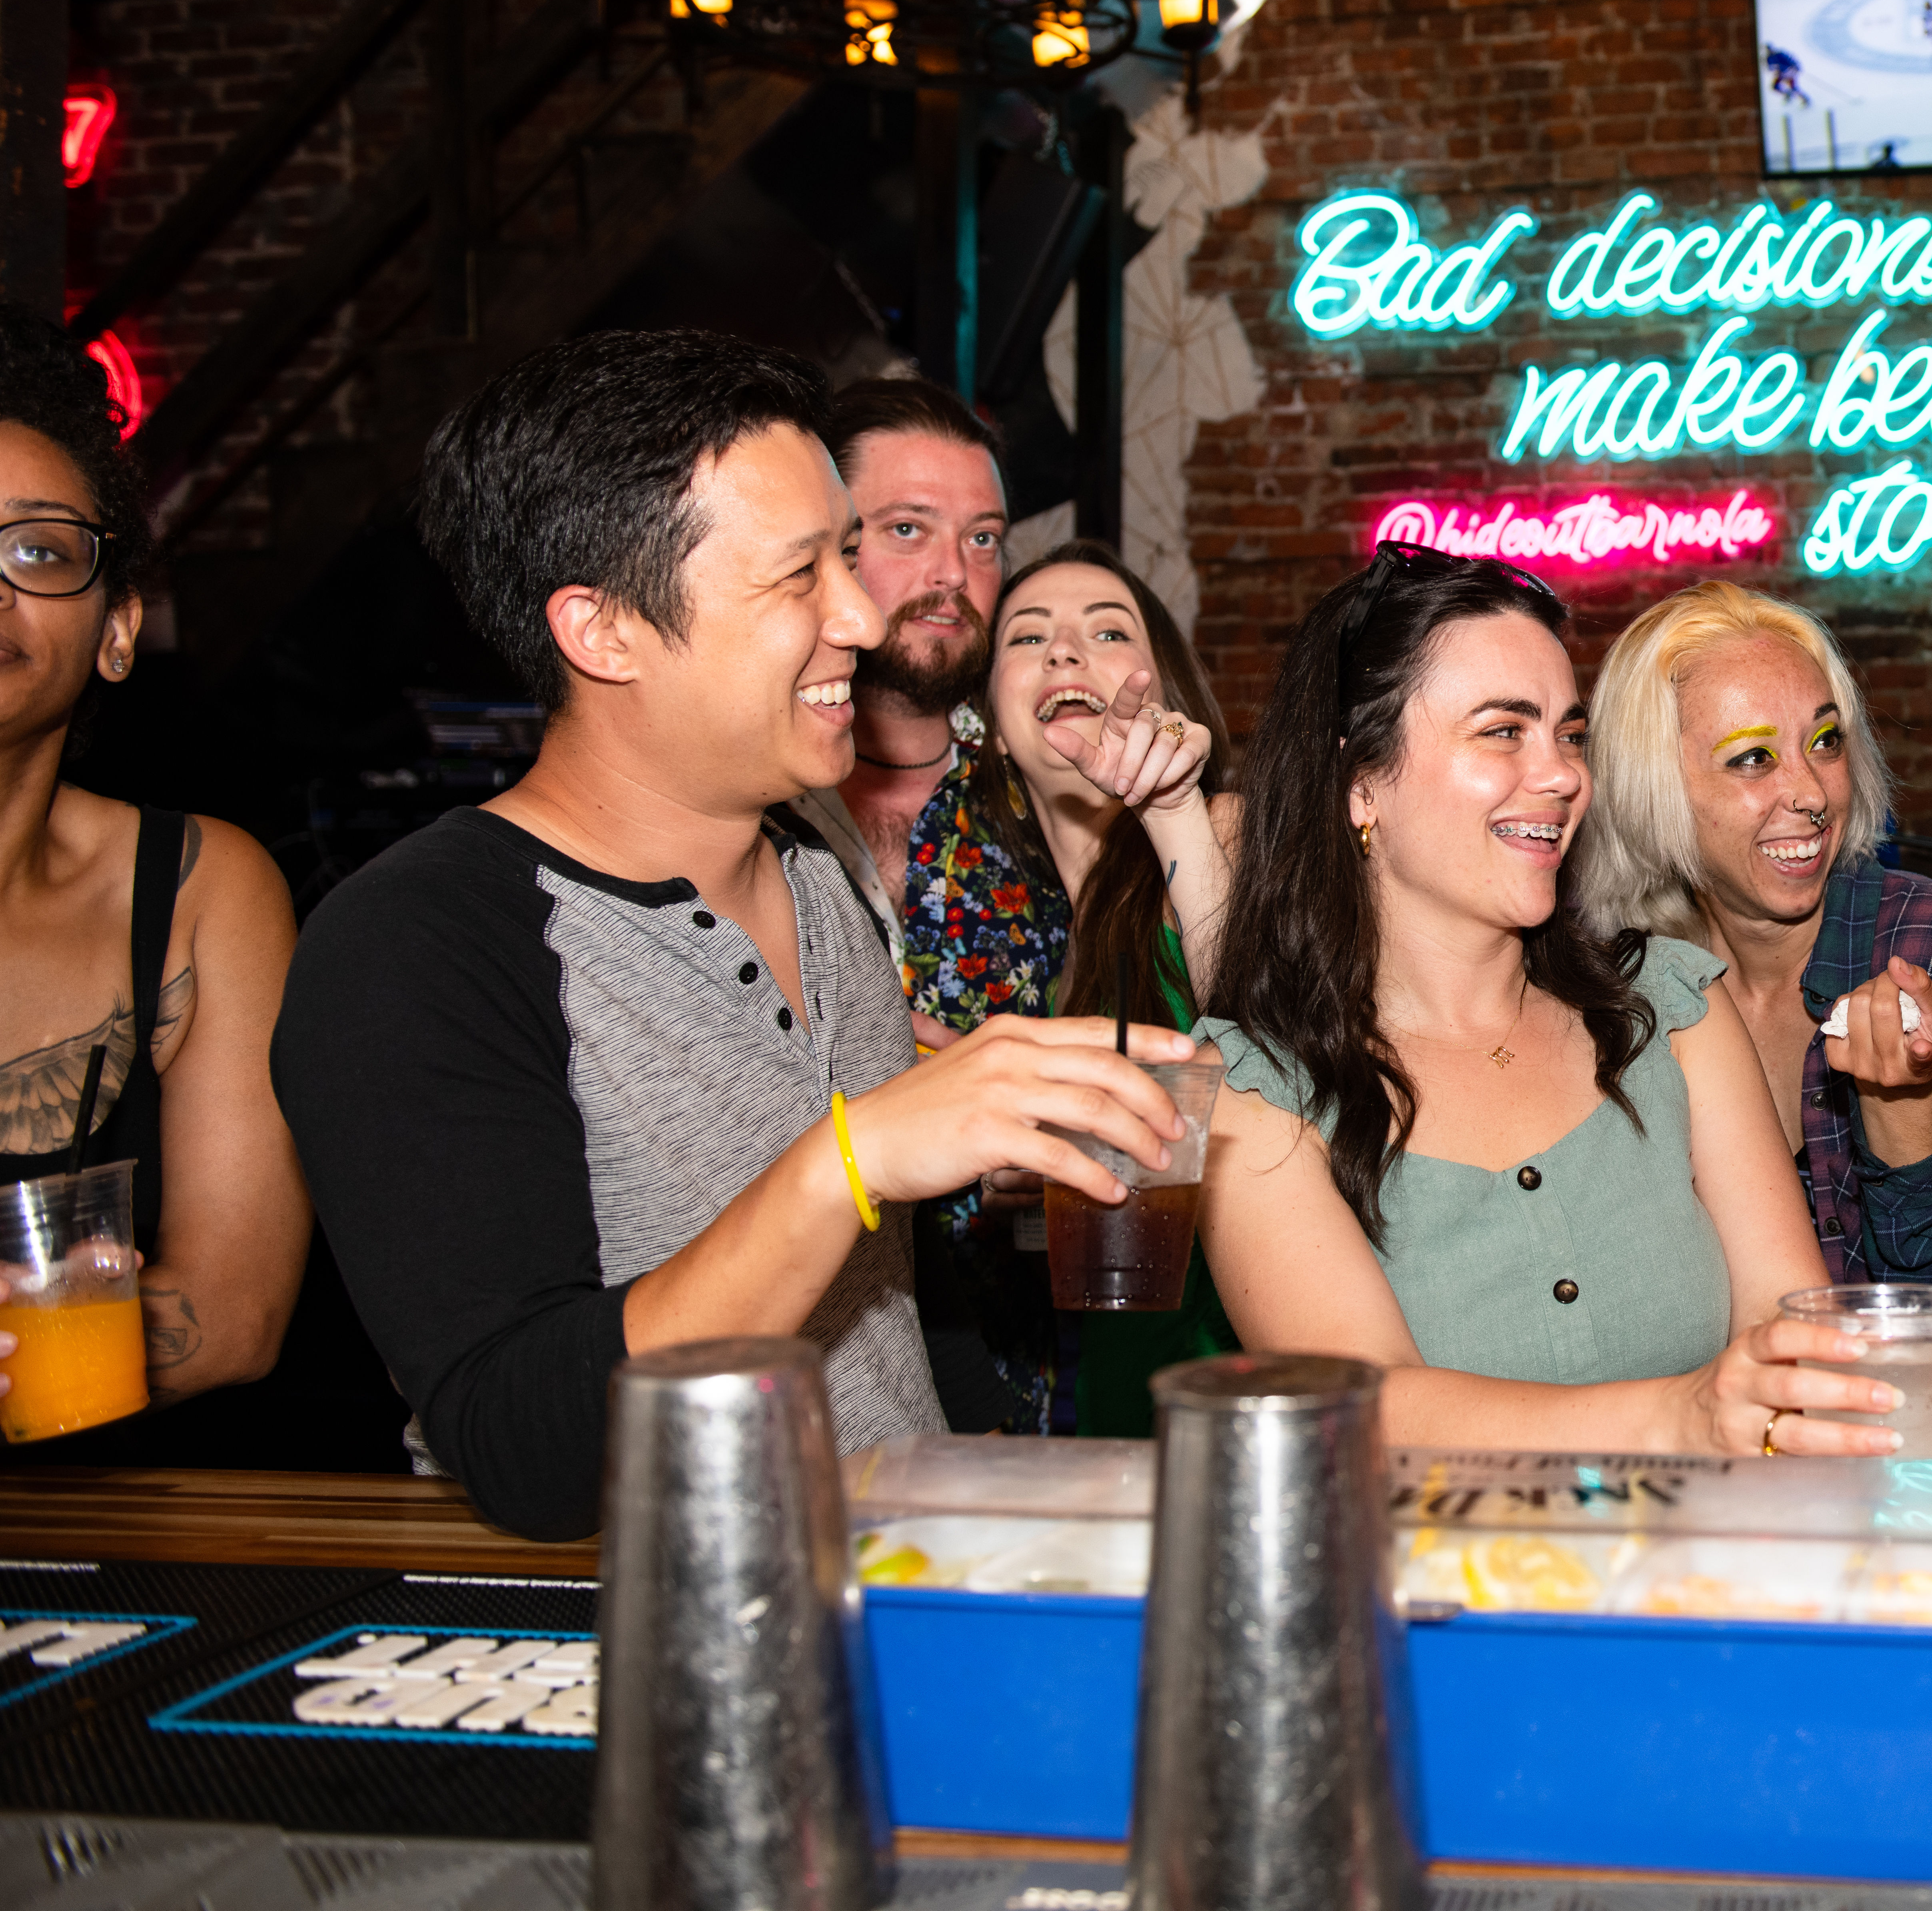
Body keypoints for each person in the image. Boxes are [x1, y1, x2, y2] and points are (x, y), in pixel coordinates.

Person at [272, 331, 1193, 1539]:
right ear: (603, 631)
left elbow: (894, 1320)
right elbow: (522, 1442)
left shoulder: (818, 860)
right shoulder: (415, 943)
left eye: (847, 562)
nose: (862, 617)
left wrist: (1012, 1494)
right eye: (799, 576)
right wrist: (851, 1161)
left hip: (895, 1590)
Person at [1197, 543, 1899, 1454]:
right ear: (1358, 783)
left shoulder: (1670, 1012)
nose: (1563, 774)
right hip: (1424, 1593)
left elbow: (1787, 1337)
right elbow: (1360, 1412)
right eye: (1503, 732)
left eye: (1569, 735)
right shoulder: (1251, 1092)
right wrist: (1678, 1416)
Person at [1576, 583, 1932, 1456]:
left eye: (1826, 742)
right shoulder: (1617, 992)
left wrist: (1903, 1109)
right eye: (1752, 759)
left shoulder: (1920, 939)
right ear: (1654, 785)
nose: (1811, 792)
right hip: (1729, 1495)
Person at [0, 303, 307, 1435]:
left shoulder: (198, 893)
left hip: (111, 1545)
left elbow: (232, 1316)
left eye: (38, 551)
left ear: (118, 626)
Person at [900, 539, 1239, 1435]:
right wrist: (1017, 1181)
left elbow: (1274, 1050)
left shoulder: (1223, 837)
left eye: (1108, 630)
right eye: (1028, 638)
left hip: (1236, 1389)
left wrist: (1179, 815)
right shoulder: (1051, 943)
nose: (1063, 652)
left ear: (1164, 693)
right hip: (1117, 1405)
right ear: (985, 723)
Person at [780, 377, 1009, 958]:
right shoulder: (741, 792)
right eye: (908, 529)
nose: (954, 573)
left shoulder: (1046, 785)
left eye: (982, 537)